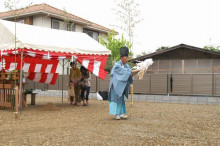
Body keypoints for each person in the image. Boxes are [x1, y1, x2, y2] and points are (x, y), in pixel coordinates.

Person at [108, 46, 139, 120]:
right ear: (121, 57)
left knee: (121, 100)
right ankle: (116, 114)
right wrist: (133, 71)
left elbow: (129, 74)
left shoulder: (126, 65)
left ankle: (121, 113)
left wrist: (132, 75)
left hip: (121, 85)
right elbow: (126, 72)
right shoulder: (117, 65)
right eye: (126, 57)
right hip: (115, 86)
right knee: (116, 99)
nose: (127, 59)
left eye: (128, 58)